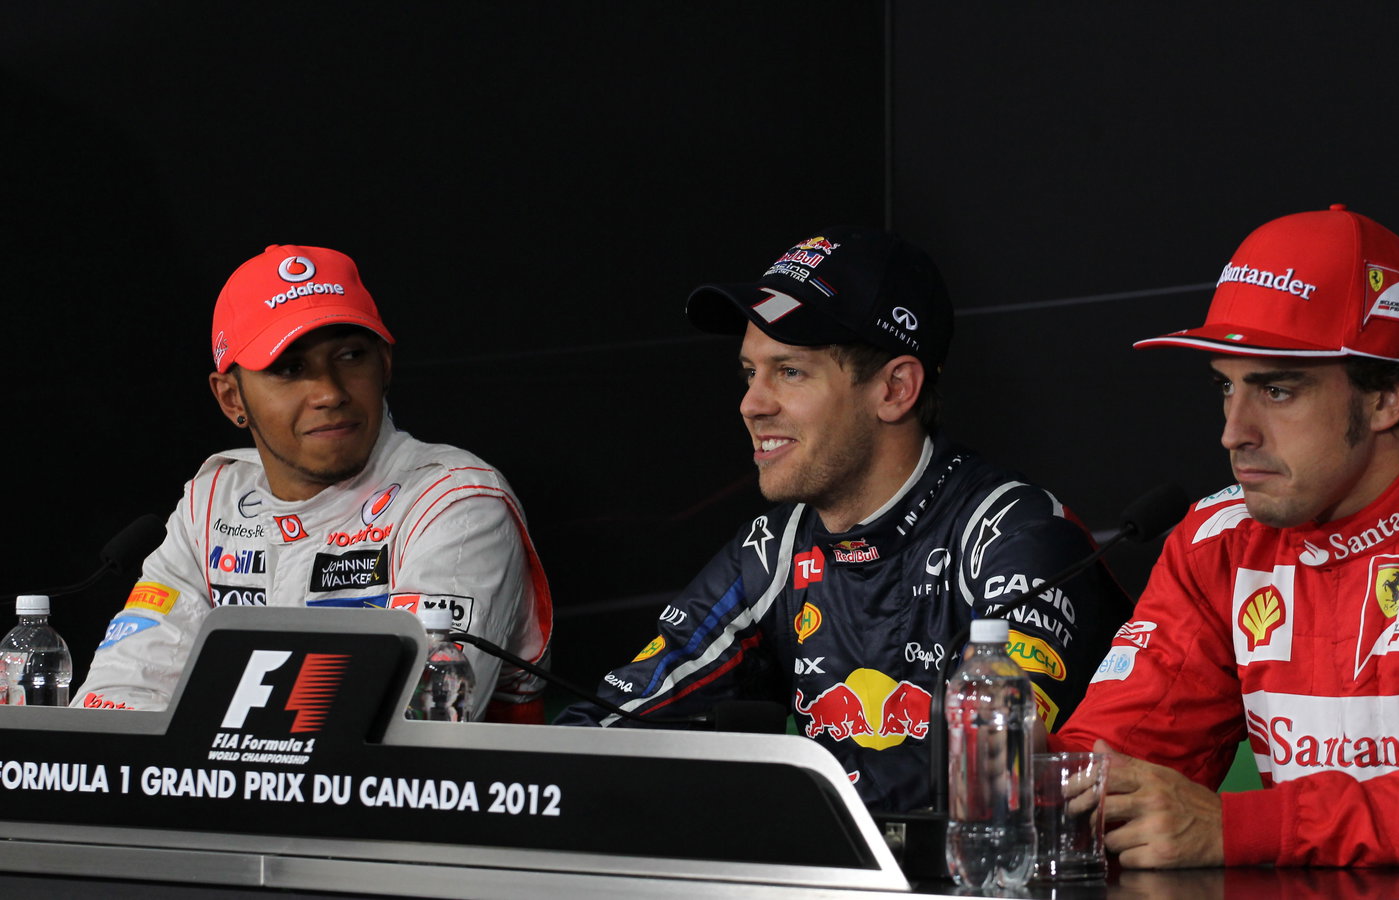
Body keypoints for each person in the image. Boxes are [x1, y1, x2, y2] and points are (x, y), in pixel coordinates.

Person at [1053, 206, 1399, 866]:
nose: (1234, 431)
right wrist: (1022, 771)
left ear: (1388, 398)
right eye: (1225, 389)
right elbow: (1113, 764)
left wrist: (1239, 828)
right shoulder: (1218, 542)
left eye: (1277, 390)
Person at [555, 226, 1131, 812]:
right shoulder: (775, 551)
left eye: (790, 371)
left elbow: (996, 759)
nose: (751, 404)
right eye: (749, 373)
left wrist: (777, 799)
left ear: (895, 389)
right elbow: (622, 714)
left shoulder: (1016, 535)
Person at [73, 244, 553, 723]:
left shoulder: (456, 501)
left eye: (349, 355)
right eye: (290, 368)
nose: (329, 392)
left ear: (384, 364)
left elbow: (413, 722)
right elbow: (120, 699)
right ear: (230, 397)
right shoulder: (212, 504)